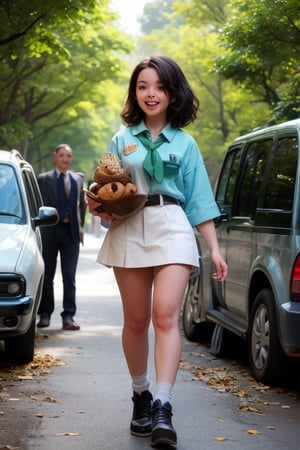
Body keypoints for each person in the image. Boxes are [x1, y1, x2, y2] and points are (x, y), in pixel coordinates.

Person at [87, 56, 228, 446]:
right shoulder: (122, 139)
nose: (152, 94)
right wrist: (97, 204)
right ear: (135, 92)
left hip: (172, 226)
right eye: (143, 86)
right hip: (129, 227)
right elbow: (107, 186)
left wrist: (214, 250)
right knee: (135, 320)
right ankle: (141, 394)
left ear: (173, 92)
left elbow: (199, 201)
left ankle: (163, 405)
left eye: (160, 87)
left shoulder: (185, 142)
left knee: (164, 315)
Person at [37, 143, 86, 331]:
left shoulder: (78, 180)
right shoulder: (44, 179)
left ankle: (68, 316)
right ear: (54, 156)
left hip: (70, 233)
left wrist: (79, 227)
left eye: (69, 156)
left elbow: (82, 206)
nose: (66, 159)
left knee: (69, 277)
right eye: (62, 155)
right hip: (49, 231)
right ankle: (45, 314)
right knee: (47, 275)